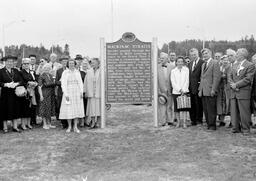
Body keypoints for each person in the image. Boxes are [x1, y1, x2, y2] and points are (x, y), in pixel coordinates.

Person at [229, 48, 255, 135]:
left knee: (244, 112)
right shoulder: (234, 65)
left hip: (243, 92)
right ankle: (235, 128)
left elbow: (248, 79)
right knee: (234, 112)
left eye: (237, 53)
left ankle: (245, 129)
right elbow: (230, 76)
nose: (235, 55)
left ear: (242, 55)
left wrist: (236, 85)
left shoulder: (250, 65)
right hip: (233, 92)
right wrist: (232, 84)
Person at [198, 48, 221, 131]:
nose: (205, 55)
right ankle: (208, 124)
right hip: (204, 90)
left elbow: (216, 77)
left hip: (211, 90)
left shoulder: (215, 63)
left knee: (211, 109)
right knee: (206, 109)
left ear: (210, 53)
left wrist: (213, 89)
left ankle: (212, 125)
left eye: (206, 53)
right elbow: (202, 78)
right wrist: (200, 90)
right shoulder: (203, 65)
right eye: (203, 54)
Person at [0, 55, 24, 133]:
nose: (10, 63)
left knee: (15, 109)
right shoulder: (1, 71)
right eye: (8, 62)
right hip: (5, 94)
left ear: (13, 63)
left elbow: (21, 81)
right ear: (5, 62)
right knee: (5, 110)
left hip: (15, 93)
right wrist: (6, 84)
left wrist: (16, 84)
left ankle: (15, 127)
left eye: (11, 62)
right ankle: (5, 127)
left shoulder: (16, 71)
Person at [59, 59, 84, 133]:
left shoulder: (77, 72)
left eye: (73, 63)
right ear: (67, 64)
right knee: (68, 109)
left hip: (76, 92)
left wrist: (81, 92)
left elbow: (80, 83)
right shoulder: (65, 72)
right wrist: (65, 93)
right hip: (68, 92)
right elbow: (63, 84)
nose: (71, 64)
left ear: (75, 64)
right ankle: (69, 126)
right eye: (70, 63)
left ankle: (75, 127)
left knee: (76, 109)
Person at [171, 56, 190, 128]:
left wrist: (183, 90)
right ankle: (178, 122)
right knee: (177, 109)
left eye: (181, 61)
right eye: (178, 61)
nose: (180, 63)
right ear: (176, 62)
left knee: (184, 108)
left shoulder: (186, 70)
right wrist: (179, 89)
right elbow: (173, 82)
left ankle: (184, 122)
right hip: (176, 92)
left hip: (185, 91)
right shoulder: (173, 71)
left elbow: (187, 81)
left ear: (183, 62)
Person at [20, 58, 38, 129]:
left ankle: (28, 123)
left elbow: (35, 80)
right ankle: (23, 124)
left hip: (32, 91)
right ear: (23, 64)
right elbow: (21, 82)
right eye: (25, 64)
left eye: (28, 64)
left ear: (30, 64)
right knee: (24, 108)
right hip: (25, 92)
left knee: (31, 108)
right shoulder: (21, 72)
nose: (26, 65)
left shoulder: (32, 72)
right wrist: (28, 83)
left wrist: (35, 83)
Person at [157, 52, 175, 126]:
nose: (161, 59)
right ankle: (163, 121)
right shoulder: (157, 67)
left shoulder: (172, 67)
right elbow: (155, 80)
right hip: (161, 90)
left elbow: (174, 78)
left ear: (167, 59)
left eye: (163, 58)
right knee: (162, 106)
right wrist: (158, 90)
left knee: (169, 106)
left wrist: (172, 89)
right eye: (160, 58)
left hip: (170, 89)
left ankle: (170, 120)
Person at [188, 48, 204, 126]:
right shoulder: (190, 64)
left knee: (199, 105)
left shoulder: (202, 63)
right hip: (191, 88)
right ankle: (193, 120)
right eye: (192, 55)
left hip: (198, 87)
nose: (193, 56)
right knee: (192, 104)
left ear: (198, 54)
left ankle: (199, 120)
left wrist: (200, 87)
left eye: (195, 54)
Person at [84, 58, 101, 128]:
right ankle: (93, 122)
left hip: (99, 93)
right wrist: (85, 91)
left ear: (98, 63)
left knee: (99, 108)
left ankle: (98, 122)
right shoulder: (89, 71)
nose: (92, 64)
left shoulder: (101, 71)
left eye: (94, 63)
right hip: (91, 93)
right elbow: (85, 82)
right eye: (92, 63)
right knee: (92, 109)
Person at [38, 63, 56, 129]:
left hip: (51, 94)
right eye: (45, 68)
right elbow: (39, 87)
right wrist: (41, 95)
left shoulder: (51, 76)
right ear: (43, 69)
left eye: (48, 68)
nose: (47, 69)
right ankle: (44, 124)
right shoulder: (41, 76)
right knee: (44, 109)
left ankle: (49, 123)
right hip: (44, 94)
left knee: (49, 109)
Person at [216, 55, 231, 126]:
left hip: (227, 88)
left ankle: (232, 121)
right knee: (220, 104)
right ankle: (221, 120)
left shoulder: (230, 67)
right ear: (221, 61)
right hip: (220, 89)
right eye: (223, 60)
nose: (225, 61)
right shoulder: (219, 67)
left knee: (229, 105)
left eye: (226, 60)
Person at [55, 55, 69, 128]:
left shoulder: (70, 70)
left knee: (68, 106)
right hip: (61, 92)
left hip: (69, 91)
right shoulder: (59, 71)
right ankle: (63, 123)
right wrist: (63, 82)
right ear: (61, 62)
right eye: (63, 62)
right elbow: (56, 82)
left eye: (66, 62)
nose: (64, 63)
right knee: (61, 106)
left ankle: (69, 122)